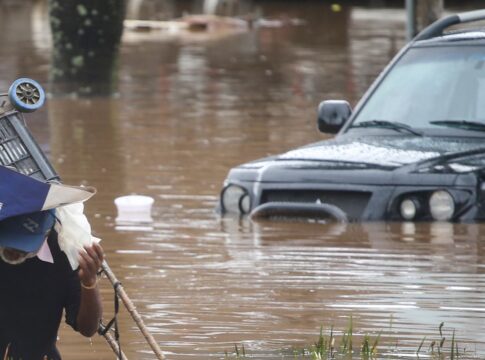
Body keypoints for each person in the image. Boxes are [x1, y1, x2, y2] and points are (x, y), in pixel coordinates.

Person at [0, 209, 104, 360]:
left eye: (25, 244)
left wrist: (89, 283)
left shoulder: (67, 252)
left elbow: (88, 329)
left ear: (47, 232)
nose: (16, 252)